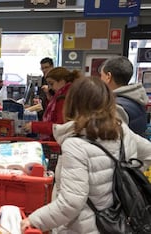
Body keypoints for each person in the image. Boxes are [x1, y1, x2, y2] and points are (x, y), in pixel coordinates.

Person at [20, 77, 151, 233]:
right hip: (121, 222)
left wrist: (34, 220)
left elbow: (70, 203)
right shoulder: (122, 130)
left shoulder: (75, 145)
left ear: (73, 103)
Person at [23, 67, 80, 140]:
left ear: (62, 81)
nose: (50, 88)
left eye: (51, 84)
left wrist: (34, 126)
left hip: (57, 142)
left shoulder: (63, 98)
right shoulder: (67, 95)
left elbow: (60, 127)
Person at [100, 56, 148, 136]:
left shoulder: (117, 107)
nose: (100, 80)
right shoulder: (136, 99)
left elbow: (111, 140)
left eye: (101, 76)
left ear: (108, 76)